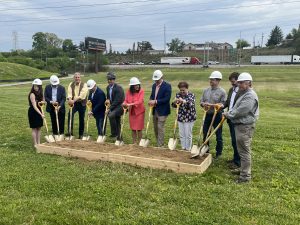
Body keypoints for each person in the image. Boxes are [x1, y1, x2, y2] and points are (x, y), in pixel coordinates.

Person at [223, 72, 259, 184]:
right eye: (239, 82)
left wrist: (228, 114)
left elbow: (241, 110)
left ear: (249, 83)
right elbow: (235, 106)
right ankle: (243, 170)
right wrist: (229, 112)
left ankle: (245, 177)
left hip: (245, 126)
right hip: (240, 125)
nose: (239, 85)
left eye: (241, 83)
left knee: (244, 151)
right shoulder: (243, 93)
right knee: (241, 150)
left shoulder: (250, 95)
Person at [200, 71, 227, 159]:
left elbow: (223, 104)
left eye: (213, 80)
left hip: (217, 116)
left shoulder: (222, 92)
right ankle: (205, 151)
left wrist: (214, 105)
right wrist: (203, 104)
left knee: (218, 135)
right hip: (207, 115)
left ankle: (218, 153)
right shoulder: (206, 90)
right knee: (206, 134)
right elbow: (201, 101)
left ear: (218, 81)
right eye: (210, 79)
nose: (211, 81)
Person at [223, 72, 242, 169]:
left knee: (236, 141)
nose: (232, 83)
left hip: (236, 119)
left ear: (238, 80)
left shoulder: (242, 92)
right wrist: (223, 105)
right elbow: (228, 101)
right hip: (230, 118)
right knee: (233, 141)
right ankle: (235, 158)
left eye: (233, 81)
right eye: (231, 82)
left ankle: (238, 162)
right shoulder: (231, 90)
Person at [149, 70, 172, 147]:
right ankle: (158, 142)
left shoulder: (167, 86)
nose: (156, 81)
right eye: (155, 79)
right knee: (155, 128)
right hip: (155, 110)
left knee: (160, 127)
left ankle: (160, 145)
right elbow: (152, 95)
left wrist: (155, 101)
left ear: (162, 77)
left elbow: (167, 99)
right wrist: (150, 100)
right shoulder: (153, 86)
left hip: (163, 110)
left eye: (157, 79)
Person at [171, 81, 196, 151]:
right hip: (180, 117)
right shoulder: (178, 95)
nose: (182, 91)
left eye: (183, 90)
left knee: (188, 134)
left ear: (187, 89)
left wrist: (183, 101)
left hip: (189, 117)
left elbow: (190, 105)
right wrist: (174, 102)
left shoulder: (191, 95)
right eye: (181, 90)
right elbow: (174, 106)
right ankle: (183, 147)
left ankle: (188, 148)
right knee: (181, 134)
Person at [123, 77, 145, 144]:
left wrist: (130, 104)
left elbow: (140, 101)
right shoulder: (128, 92)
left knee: (139, 129)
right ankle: (134, 142)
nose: (137, 86)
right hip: (132, 112)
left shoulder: (141, 91)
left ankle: (140, 142)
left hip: (139, 112)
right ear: (132, 86)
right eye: (136, 85)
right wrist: (124, 103)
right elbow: (126, 100)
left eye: (138, 84)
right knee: (133, 128)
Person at [67, 72, 88, 139]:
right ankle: (70, 132)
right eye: (76, 77)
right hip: (74, 104)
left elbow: (82, 95)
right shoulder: (71, 84)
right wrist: (70, 99)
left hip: (82, 103)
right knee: (70, 115)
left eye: (78, 77)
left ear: (80, 78)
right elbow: (69, 93)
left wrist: (73, 100)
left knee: (81, 118)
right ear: (74, 78)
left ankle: (81, 134)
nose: (77, 78)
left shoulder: (84, 85)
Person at [105, 72, 125, 140]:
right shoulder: (108, 87)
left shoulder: (118, 88)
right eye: (108, 79)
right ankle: (119, 138)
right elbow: (108, 98)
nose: (109, 81)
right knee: (117, 121)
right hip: (114, 107)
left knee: (111, 115)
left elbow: (117, 101)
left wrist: (109, 109)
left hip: (120, 106)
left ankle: (114, 133)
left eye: (111, 79)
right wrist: (107, 100)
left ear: (114, 80)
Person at [28, 78, 44, 147]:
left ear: (40, 86)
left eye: (37, 86)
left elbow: (43, 101)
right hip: (33, 112)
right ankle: (35, 144)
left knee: (39, 128)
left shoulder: (40, 93)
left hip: (39, 111)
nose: (36, 87)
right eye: (34, 86)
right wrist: (41, 114)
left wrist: (43, 102)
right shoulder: (32, 94)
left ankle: (39, 142)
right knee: (34, 128)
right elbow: (34, 106)